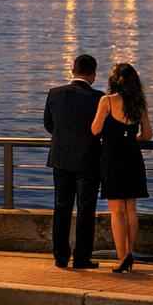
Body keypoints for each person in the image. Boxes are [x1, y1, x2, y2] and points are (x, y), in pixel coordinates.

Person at [43, 54, 103, 269]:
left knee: (61, 207)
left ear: (72, 70)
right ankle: (81, 258)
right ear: (93, 74)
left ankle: (60, 257)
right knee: (86, 210)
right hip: (89, 160)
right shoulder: (99, 98)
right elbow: (101, 129)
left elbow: (48, 125)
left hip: (61, 158)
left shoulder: (55, 93)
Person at [91, 62, 153, 273]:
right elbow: (147, 134)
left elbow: (95, 129)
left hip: (112, 158)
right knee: (131, 209)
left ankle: (122, 257)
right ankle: (130, 253)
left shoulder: (107, 101)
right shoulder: (139, 104)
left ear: (114, 81)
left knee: (117, 211)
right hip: (133, 157)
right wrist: (133, 138)